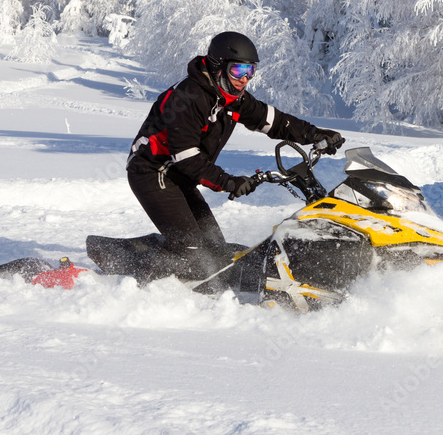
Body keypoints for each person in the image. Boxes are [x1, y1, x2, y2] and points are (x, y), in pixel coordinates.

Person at [125, 31, 344, 283]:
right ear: (218, 66)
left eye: (250, 71)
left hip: (181, 175)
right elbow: (187, 158)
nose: (245, 79)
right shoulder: (187, 98)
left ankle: (178, 262)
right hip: (154, 173)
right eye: (239, 71)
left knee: (215, 251)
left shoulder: (230, 98)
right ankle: (124, 267)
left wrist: (315, 135)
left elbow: (274, 122)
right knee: (194, 256)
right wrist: (228, 181)